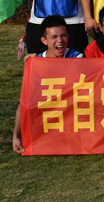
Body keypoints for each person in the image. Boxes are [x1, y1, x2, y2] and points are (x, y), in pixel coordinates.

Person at [12, 15, 82, 153]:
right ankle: (19, 136)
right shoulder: (37, 62)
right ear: (44, 40)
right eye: (54, 37)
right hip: (47, 113)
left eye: (63, 35)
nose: (60, 41)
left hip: (71, 112)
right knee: (26, 99)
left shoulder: (78, 58)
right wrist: (16, 135)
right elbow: (26, 100)